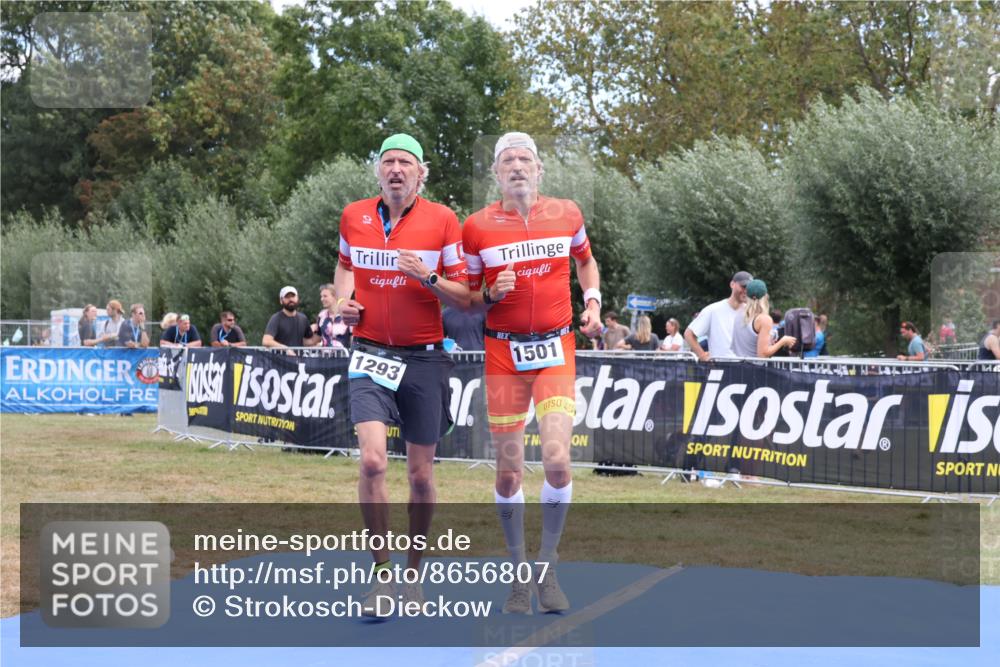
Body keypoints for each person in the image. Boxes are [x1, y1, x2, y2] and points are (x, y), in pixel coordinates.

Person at [463, 131, 602, 615]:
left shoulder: (567, 213)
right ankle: (518, 574)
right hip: (502, 355)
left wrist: (593, 303)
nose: (517, 166)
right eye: (507, 160)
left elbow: (586, 262)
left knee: (558, 459)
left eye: (525, 159)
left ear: (539, 169)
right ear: (496, 174)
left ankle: (547, 567)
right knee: (508, 473)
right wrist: (491, 295)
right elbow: (466, 297)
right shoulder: (476, 227)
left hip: (556, 348)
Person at [334, 133, 469, 614]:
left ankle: (414, 572)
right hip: (369, 353)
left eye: (405, 163)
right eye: (388, 162)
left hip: (425, 358)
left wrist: (427, 278)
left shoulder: (443, 220)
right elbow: (345, 265)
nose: (396, 169)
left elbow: (464, 295)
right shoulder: (354, 216)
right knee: (371, 461)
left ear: (421, 172)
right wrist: (344, 303)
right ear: (377, 171)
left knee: (420, 475)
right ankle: (382, 575)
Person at [684, 271, 752, 361]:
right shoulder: (713, 310)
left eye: (749, 288)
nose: (746, 291)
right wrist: (703, 356)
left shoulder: (752, 312)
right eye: (743, 286)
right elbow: (689, 334)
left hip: (746, 367)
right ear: (732, 284)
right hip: (720, 366)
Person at [731, 279, 797, 358]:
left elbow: (747, 344)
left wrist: (769, 342)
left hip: (736, 366)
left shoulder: (738, 315)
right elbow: (762, 354)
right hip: (754, 368)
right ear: (765, 297)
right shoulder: (764, 319)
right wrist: (783, 341)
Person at [262, 286, 320, 352]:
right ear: (281, 301)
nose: (291, 299)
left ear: (297, 298)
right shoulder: (276, 318)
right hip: (279, 360)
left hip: (298, 360)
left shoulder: (303, 318)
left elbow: (308, 341)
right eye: (287, 297)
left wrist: (320, 330)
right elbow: (266, 341)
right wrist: (285, 349)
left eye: (293, 296)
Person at [313, 284, 351, 349]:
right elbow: (317, 338)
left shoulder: (347, 314)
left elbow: (353, 339)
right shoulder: (321, 315)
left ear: (335, 296)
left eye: (325, 296)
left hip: (343, 357)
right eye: (321, 296)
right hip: (324, 357)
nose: (322, 299)